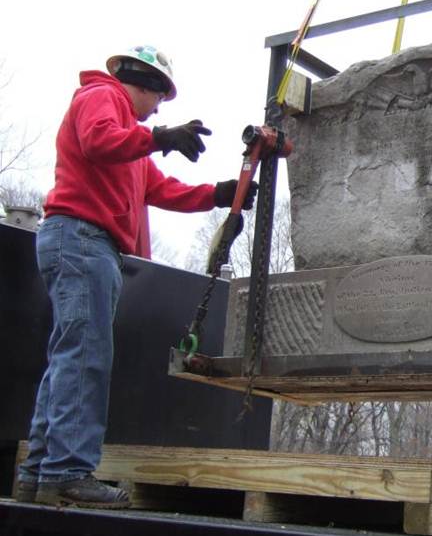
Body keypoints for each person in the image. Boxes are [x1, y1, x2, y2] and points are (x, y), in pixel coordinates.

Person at [16, 45, 258, 508]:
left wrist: (219, 194)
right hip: (82, 238)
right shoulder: (101, 98)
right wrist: (162, 137)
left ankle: (40, 473)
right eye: (160, 98)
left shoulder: (129, 135)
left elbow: (160, 188)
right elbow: (98, 141)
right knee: (85, 355)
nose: (159, 109)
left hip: (85, 244)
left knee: (71, 355)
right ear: (143, 84)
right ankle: (66, 472)